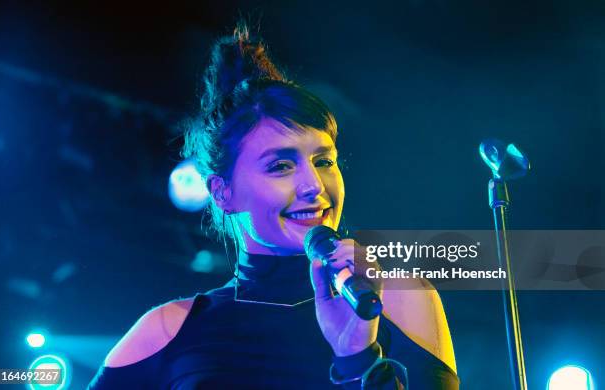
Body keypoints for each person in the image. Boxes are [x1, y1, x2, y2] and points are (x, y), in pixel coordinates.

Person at [88, 21, 459, 389]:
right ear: (222, 193)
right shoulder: (168, 331)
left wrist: (356, 358)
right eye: (281, 166)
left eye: (323, 161)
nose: (313, 185)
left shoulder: (396, 300)